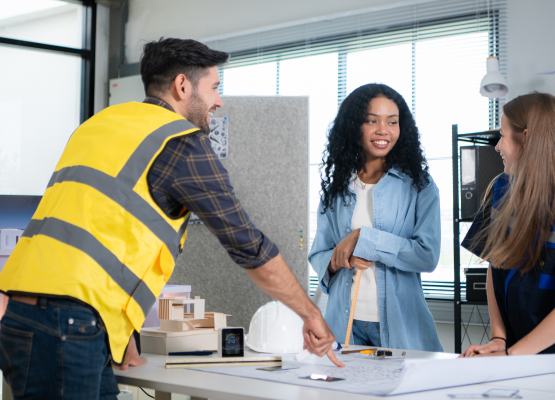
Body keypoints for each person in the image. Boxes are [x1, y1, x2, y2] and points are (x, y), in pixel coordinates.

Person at [0, 38, 342, 400]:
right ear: (183, 86)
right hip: (67, 326)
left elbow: (100, 232)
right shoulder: (179, 142)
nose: (219, 101)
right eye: (214, 88)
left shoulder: (99, 125)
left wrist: (119, 332)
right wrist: (309, 314)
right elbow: (248, 245)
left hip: (29, 317)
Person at [462, 92, 555, 368]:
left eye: (502, 136)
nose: (497, 147)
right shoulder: (499, 192)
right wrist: (499, 339)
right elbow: (495, 266)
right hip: (517, 355)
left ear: (526, 138)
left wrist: (512, 355)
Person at [308, 83, 443, 351]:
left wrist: (363, 237)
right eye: (372, 120)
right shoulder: (336, 187)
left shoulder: (420, 185)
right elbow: (318, 254)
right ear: (354, 126)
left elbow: (427, 255)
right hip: (343, 322)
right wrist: (337, 260)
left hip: (399, 323)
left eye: (392, 122)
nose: (383, 130)